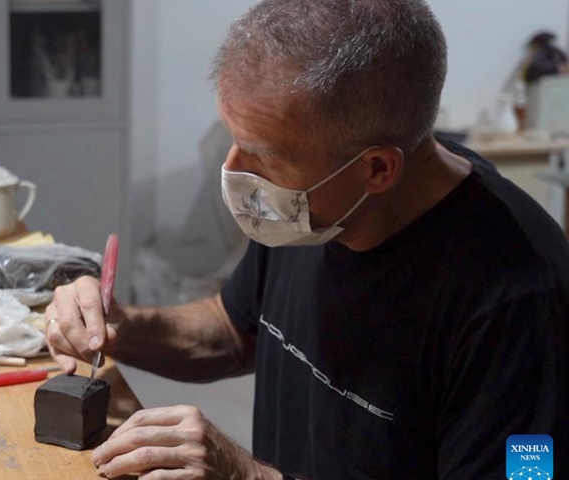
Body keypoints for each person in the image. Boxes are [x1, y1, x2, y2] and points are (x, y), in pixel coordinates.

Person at [45, 0, 569, 478]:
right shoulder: (315, 210)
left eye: (264, 156)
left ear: (376, 168)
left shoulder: (521, 303)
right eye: (235, 141)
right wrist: (121, 328)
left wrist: (248, 475)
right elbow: (233, 330)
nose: (235, 170)